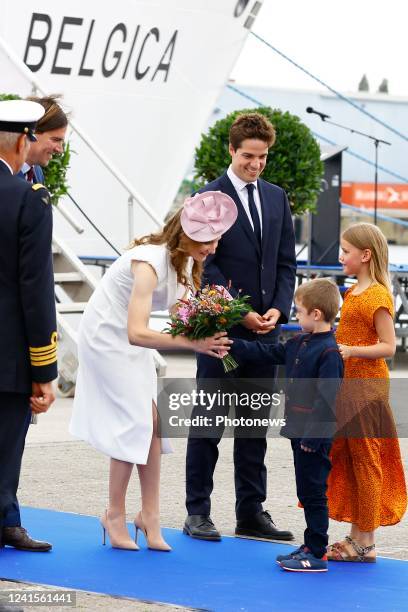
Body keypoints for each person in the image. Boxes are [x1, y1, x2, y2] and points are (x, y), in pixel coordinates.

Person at [69, 191, 237, 551]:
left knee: (155, 424)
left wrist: (210, 328)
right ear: (188, 234)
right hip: (106, 338)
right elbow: (136, 331)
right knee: (137, 422)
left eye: (217, 237)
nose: (214, 246)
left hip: (131, 342)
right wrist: (195, 343)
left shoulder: (187, 265)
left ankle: (150, 516)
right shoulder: (148, 262)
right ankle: (113, 514)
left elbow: (179, 321)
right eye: (208, 238)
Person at [185, 112, 297, 542]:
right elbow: (201, 268)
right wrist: (238, 312)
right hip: (222, 334)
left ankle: (251, 513)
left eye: (262, 157)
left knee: (254, 428)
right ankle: (198, 512)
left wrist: (280, 311)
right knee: (208, 424)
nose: (255, 164)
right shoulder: (206, 197)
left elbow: (286, 263)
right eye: (248, 156)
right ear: (231, 150)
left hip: (266, 335)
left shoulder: (276, 197)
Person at [231, 279, 344, 572]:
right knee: (306, 491)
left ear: (316, 314)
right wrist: (232, 344)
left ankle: (317, 553)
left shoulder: (330, 353)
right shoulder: (299, 343)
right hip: (299, 432)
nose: (296, 315)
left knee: (315, 492)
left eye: (300, 311)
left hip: (313, 436)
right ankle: (310, 544)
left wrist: (313, 436)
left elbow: (327, 399)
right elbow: (266, 353)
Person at [2, 95, 68, 537]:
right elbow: (36, 290)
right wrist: (45, 370)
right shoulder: (29, 198)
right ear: (24, 141)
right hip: (7, 362)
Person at [326, 223, 407, 562]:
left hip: (368, 391)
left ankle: (366, 543)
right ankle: (355, 537)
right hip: (349, 388)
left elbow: (389, 347)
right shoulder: (352, 294)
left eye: (345, 251)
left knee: (368, 463)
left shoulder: (376, 296)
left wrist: (351, 350)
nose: (341, 256)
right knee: (352, 461)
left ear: (365, 255)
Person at [19, 95, 68, 184]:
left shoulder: (37, 173)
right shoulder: (5, 174)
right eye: (56, 140)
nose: (60, 150)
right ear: (30, 132)